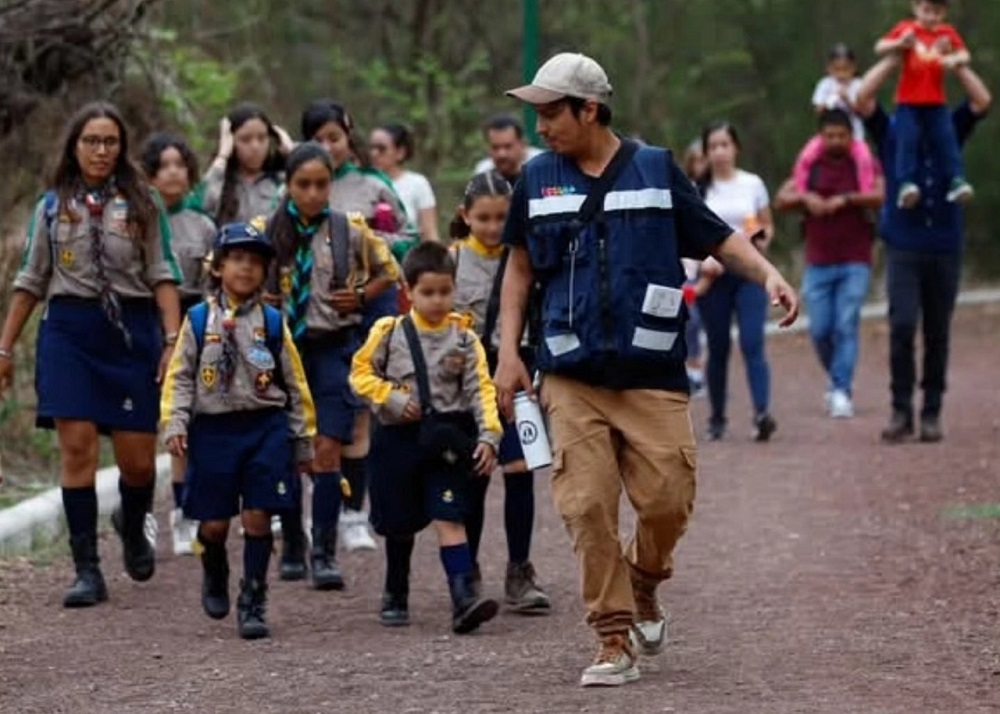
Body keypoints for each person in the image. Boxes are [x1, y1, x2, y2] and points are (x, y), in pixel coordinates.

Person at [497, 52, 798, 687]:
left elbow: (718, 237)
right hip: (569, 371)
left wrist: (769, 273)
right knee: (585, 505)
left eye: (552, 112)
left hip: (652, 370)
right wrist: (506, 355)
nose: (541, 125)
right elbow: (519, 270)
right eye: (537, 113)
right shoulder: (536, 180)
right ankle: (612, 637)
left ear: (590, 109)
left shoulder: (658, 170)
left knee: (666, 500)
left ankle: (645, 578)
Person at [0, 101, 182, 607]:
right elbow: (30, 280)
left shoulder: (144, 202)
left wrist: (172, 343)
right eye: (91, 141)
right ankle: (86, 570)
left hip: (130, 333)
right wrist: (5, 347)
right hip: (70, 334)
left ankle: (132, 516)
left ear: (121, 149)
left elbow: (162, 274)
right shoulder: (53, 205)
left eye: (110, 142)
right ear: (74, 146)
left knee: (139, 464)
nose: (100, 151)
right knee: (76, 448)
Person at [161, 221, 316, 640]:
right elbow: (180, 378)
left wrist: (302, 441)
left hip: (264, 427)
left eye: (254, 262)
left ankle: (253, 597)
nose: (245, 269)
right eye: (237, 260)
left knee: (259, 516)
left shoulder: (271, 321)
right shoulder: (197, 320)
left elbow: (295, 383)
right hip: (214, 429)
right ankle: (215, 565)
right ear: (218, 267)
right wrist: (175, 423)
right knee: (214, 523)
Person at [349, 241, 503, 634]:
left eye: (445, 291)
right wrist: (391, 398)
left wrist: (488, 435)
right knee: (399, 523)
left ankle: (462, 597)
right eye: (428, 292)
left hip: (446, 440)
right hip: (399, 440)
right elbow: (360, 374)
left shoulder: (465, 339)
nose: (438, 300)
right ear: (409, 291)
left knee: (449, 515)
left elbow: (480, 389)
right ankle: (395, 591)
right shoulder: (389, 332)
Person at [264, 143, 397, 587]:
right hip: (283, 350)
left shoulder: (349, 230)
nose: (314, 193)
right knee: (285, 448)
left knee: (327, 449)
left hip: (332, 347)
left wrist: (361, 296)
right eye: (303, 184)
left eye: (322, 184)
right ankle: (294, 547)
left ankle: (323, 551)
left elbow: (390, 271)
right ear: (288, 185)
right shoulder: (268, 232)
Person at [854, 55, 991, 442]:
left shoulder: (949, 128)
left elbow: (981, 101)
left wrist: (959, 64)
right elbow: (862, 97)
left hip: (945, 242)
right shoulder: (894, 129)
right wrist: (896, 58)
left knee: (937, 330)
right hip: (904, 244)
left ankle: (931, 410)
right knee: (901, 326)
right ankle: (901, 409)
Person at [301, 99, 407, 553]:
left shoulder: (373, 185)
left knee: (358, 407)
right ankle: (312, 509)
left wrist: (374, 247)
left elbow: (408, 241)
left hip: (365, 309)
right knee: (311, 417)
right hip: (309, 318)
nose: (327, 147)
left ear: (349, 137)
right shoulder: (292, 189)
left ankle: (354, 513)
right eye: (317, 139)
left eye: (334, 138)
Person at [450, 170, 551, 613]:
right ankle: (467, 570)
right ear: (465, 216)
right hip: (471, 376)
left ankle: (519, 569)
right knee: (476, 470)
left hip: (522, 369)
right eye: (484, 218)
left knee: (520, 467)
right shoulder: (451, 261)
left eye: (502, 218)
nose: (493, 227)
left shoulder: (528, 257)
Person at [774, 109, 886, 418]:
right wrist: (806, 198)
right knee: (821, 328)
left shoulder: (862, 162)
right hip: (819, 259)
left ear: (851, 137)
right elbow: (782, 197)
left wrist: (846, 200)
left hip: (855, 257)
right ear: (820, 137)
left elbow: (879, 194)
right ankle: (836, 378)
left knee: (845, 323)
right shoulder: (811, 164)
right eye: (829, 135)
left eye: (841, 135)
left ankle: (841, 391)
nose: (835, 141)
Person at [140, 132, 217, 556]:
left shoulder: (203, 225)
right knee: (149, 423)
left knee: (188, 422)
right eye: (163, 165)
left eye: (179, 164)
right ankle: (144, 515)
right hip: (146, 321)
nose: (173, 172)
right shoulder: (138, 219)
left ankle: (185, 512)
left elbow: (215, 282)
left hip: (194, 321)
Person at [695, 122, 778, 442]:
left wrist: (760, 244)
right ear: (705, 152)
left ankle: (762, 412)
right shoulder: (698, 190)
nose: (719, 152)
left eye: (725, 145)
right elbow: (690, 234)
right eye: (713, 146)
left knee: (752, 340)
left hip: (749, 274)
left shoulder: (752, 184)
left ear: (736, 148)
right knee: (718, 346)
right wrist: (706, 261)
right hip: (714, 277)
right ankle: (717, 416)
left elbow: (767, 225)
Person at [875, 0, 973, 208]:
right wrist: (899, 43)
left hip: (936, 101)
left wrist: (954, 59)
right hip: (908, 100)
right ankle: (906, 183)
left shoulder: (946, 33)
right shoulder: (907, 28)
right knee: (907, 140)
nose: (931, 17)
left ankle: (956, 179)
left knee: (947, 140)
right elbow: (880, 47)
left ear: (944, 13)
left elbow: (965, 54)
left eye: (936, 12)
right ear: (916, 8)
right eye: (926, 11)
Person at [794, 44, 879, 198]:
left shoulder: (858, 85)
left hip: (853, 136)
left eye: (845, 69)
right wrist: (829, 101)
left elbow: (863, 111)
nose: (841, 74)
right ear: (829, 69)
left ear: (853, 68)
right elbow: (818, 110)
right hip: (828, 133)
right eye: (837, 70)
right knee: (805, 157)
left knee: (865, 159)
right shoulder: (825, 85)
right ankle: (801, 191)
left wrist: (847, 99)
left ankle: (866, 190)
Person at [200, 103, 293, 225]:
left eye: (262, 138)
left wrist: (292, 153)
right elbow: (201, 206)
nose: (255, 147)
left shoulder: (281, 181)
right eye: (245, 139)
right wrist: (222, 156)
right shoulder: (221, 182)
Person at [369, 123, 440, 242]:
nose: (374, 154)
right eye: (371, 148)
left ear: (400, 152)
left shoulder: (417, 184)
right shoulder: (362, 183)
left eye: (381, 149)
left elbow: (430, 233)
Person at [681, 139, 707, 396]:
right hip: (688, 271)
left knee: (702, 323)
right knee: (691, 319)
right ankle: (692, 370)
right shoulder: (685, 189)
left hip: (710, 267)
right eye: (698, 160)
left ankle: (699, 369)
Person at [473, 114, 545, 183]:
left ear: (522, 144)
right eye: (495, 147)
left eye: (508, 146)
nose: (501, 154)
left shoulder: (543, 164)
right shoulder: (484, 172)